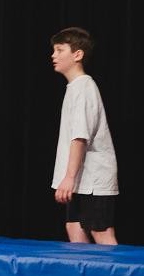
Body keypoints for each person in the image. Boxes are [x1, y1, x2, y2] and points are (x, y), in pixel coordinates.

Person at [50, 27, 119, 244]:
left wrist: (69, 177)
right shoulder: (74, 88)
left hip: (93, 180)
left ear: (77, 54)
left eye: (60, 50)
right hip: (80, 179)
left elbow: (80, 137)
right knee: (74, 228)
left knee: (101, 231)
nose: (54, 55)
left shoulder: (84, 87)